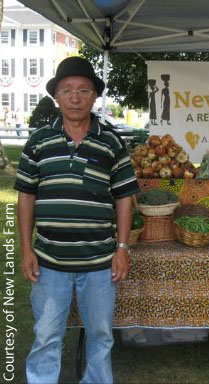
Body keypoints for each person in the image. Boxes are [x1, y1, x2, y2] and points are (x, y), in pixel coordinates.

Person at [15, 56, 140, 384]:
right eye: (67, 89)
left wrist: (123, 247)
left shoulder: (111, 141)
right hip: (49, 261)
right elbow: (26, 195)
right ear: (56, 95)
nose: (75, 96)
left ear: (94, 96)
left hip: (100, 263)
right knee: (46, 336)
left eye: (83, 89)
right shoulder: (39, 140)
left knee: (100, 336)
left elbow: (124, 196)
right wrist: (26, 249)